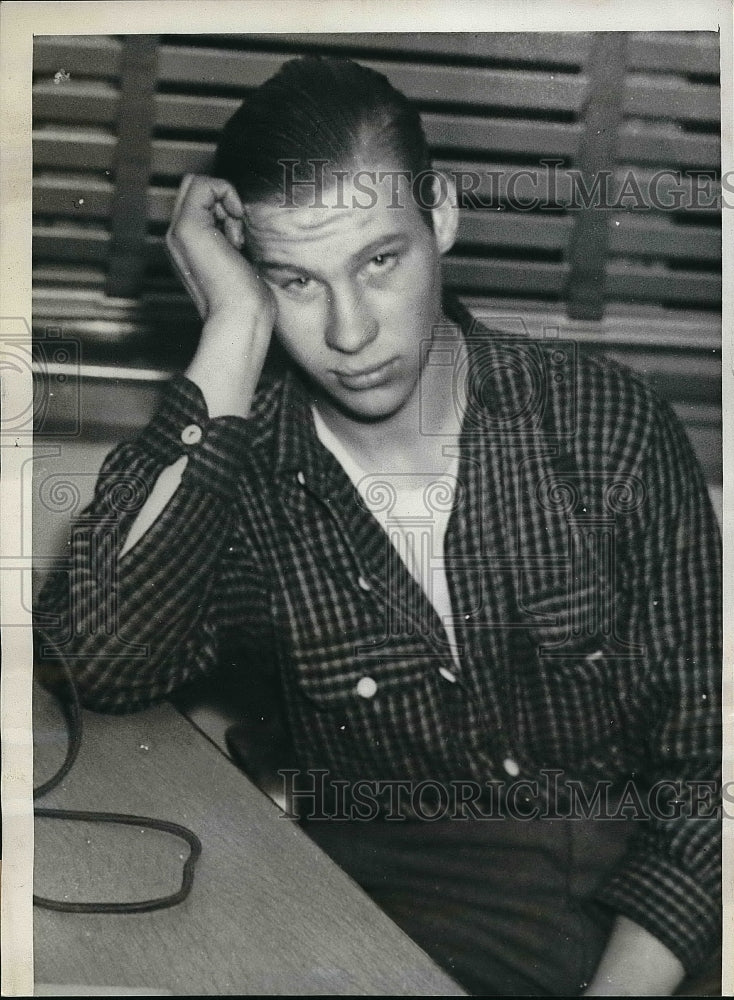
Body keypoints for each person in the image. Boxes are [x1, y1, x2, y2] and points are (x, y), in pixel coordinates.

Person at [35, 56, 721, 996]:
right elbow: (94, 664)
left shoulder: (604, 427)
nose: (350, 334)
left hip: (659, 920)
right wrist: (235, 327)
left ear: (439, 213)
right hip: (406, 922)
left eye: (379, 261)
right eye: (295, 282)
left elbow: (708, 770)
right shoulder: (249, 478)